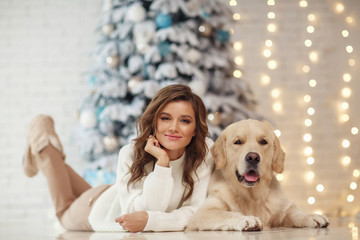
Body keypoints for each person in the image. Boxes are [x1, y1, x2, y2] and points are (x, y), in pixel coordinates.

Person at [23, 84, 214, 232]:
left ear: (196, 128)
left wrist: (151, 220)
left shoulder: (204, 152)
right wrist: (163, 164)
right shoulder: (130, 152)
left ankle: (39, 150)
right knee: (63, 211)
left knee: (61, 173)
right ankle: (42, 138)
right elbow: (138, 214)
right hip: (95, 209)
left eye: (185, 121)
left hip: (114, 195)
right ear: (154, 121)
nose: (173, 127)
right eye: (165, 118)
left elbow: (196, 211)